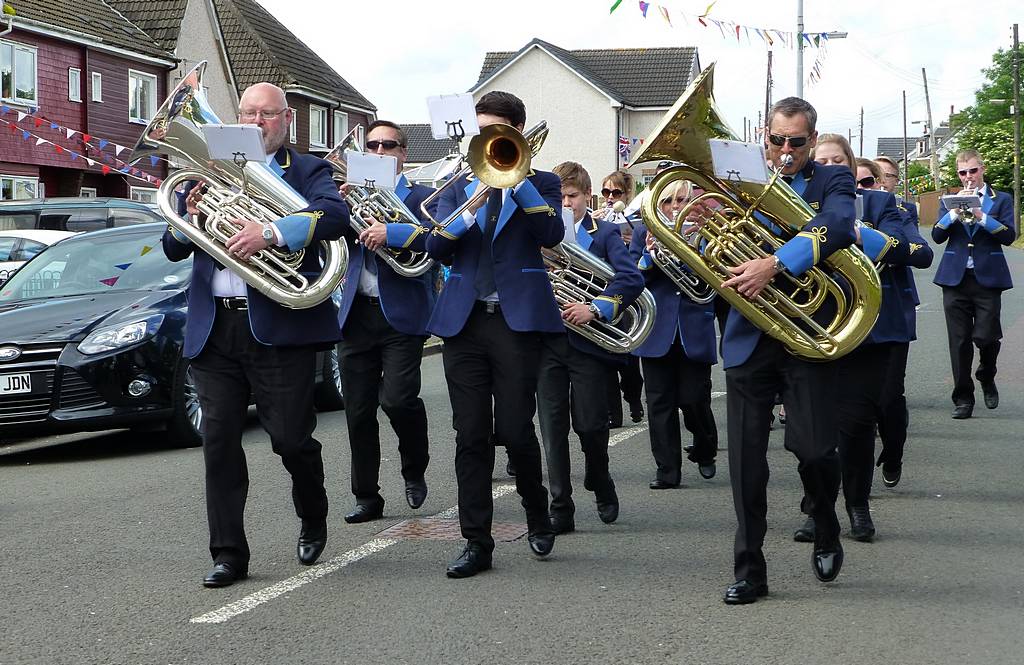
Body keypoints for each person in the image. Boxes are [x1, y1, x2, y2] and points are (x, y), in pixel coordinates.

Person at [163, 82, 349, 588]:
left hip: (278, 327)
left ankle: (313, 513)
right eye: (248, 113)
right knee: (219, 442)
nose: (257, 122)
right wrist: (190, 218)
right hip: (215, 327)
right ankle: (228, 554)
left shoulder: (307, 170)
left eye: (266, 114)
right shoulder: (205, 169)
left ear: (287, 119)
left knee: (290, 440)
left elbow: (335, 216)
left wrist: (270, 232)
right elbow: (173, 246)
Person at [719, 97, 856, 605]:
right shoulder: (742, 179)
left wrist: (773, 263)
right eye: (776, 139)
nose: (784, 150)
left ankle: (825, 522)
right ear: (765, 135)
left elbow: (838, 225)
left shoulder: (832, 181)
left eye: (796, 142)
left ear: (812, 141)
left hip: (806, 332)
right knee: (745, 465)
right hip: (749, 336)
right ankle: (750, 570)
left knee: (816, 450)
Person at [426, 91, 563, 578]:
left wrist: (517, 180)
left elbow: (551, 235)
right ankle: (476, 541)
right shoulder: (458, 181)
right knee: (470, 435)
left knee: (515, 429)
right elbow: (434, 245)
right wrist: (467, 208)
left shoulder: (543, 182)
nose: (486, 138)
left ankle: (535, 508)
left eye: (495, 130)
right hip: (464, 322)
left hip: (516, 321)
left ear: (516, 135)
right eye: (480, 129)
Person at [789, 146, 926, 544]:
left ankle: (857, 503)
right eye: (824, 161)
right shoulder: (796, 201)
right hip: (815, 323)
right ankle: (817, 507)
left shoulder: (881, 202)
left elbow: (916, 250)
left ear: (850, 168)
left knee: (857, 425)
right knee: (815, 428)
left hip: (868, 328)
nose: (830, 168)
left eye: (839, 162)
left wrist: (863, 234)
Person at [334, 120, 436, 524]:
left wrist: (391, 230)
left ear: (403, 154)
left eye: (388, 145)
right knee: (358, 410)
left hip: (402, 313)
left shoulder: (423, 196)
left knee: (397, 400)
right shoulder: (351, 196)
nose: (379, 151)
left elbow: (434, 237)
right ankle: (366, 496)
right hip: (356, 312)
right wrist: (341, 205)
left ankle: (415, 469)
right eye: (372, 145)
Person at [537, 161, 644, 534]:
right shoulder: (538, 231)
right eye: (560, 197)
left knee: (590, 426)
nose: (566, 205)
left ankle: (600, 478)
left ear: (587, 197)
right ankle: (560, 505)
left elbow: (630, 278)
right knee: (552, 427)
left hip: (589, 343)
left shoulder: (607, 233)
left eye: (572, 197)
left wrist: (595, 306)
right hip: (547, 341)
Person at [628, 179, 719, 489]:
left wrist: (699, 246)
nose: (676, 207)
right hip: (656, 328)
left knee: (694, 399)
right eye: (668, 201)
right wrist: (649, 257)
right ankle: (667, 471)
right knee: (659, 402)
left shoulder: (707, 231)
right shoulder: (644, 232)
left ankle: (706, 448)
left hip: (693, 326)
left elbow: (717, 277)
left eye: (682, 200)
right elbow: (631, 278)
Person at [931, 149, 1015, 419]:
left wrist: (981, 216)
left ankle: (986, 373)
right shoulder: (950, 200)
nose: (968, 177)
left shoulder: (1000, 198)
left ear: (983, 169)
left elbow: (1009, 236)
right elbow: (936, 235)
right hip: (954, 278)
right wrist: (953, 212)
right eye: (962, 172)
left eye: (973, 171)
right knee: (959, 341)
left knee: (986, 336)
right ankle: (963, 398)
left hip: (988, 277)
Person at [873, 154, 923, 486]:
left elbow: (921, 252)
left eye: (875, 180)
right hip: (843, 315)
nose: (875, 185)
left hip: (889, 312)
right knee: (852, 407)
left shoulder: (900, 212)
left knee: (888, 398)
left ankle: (893, 451)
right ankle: (854, 491)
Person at [597, 169, 645, 427]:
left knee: (628, 358)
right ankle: (612, 413)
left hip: (627, 294)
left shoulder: (636, 218)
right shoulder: (598, 220)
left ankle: (634, 397)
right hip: (600, 292)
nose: (609, 197)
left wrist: (628, 240)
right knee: (604, 353)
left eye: (615, 192)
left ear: (627, 194)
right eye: (606, 192)